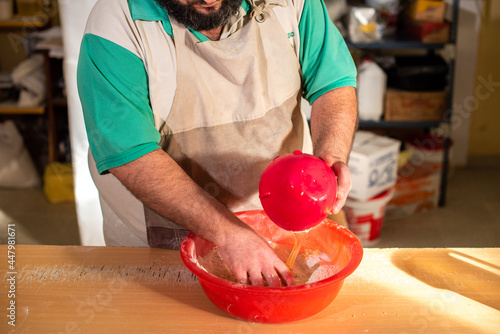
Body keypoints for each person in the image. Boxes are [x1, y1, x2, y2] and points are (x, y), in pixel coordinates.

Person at [77, 0, 358, 287]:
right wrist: (228, 232)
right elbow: (131, 153)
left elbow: (333, 81)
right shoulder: (116, 25)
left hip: (284, 227)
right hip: (163, 246)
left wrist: (331, 154)